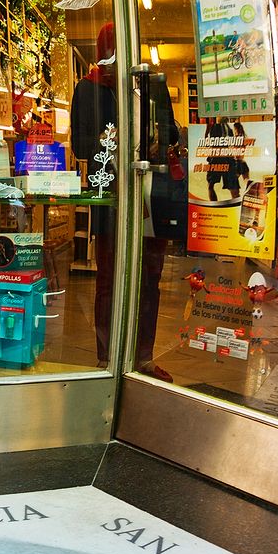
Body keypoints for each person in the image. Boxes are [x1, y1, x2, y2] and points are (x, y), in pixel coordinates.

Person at [70, 22, 173, 378]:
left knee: (150, 277)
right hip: (112, 194)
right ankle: (107, 358)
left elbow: (171, 132)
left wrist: (160, 141)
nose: (117, 58)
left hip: (150, 196)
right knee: (110, 279)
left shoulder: (154, 86)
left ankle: (143, 357)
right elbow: (79, 145)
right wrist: (109, 144)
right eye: (112, 50)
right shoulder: (88, 88)